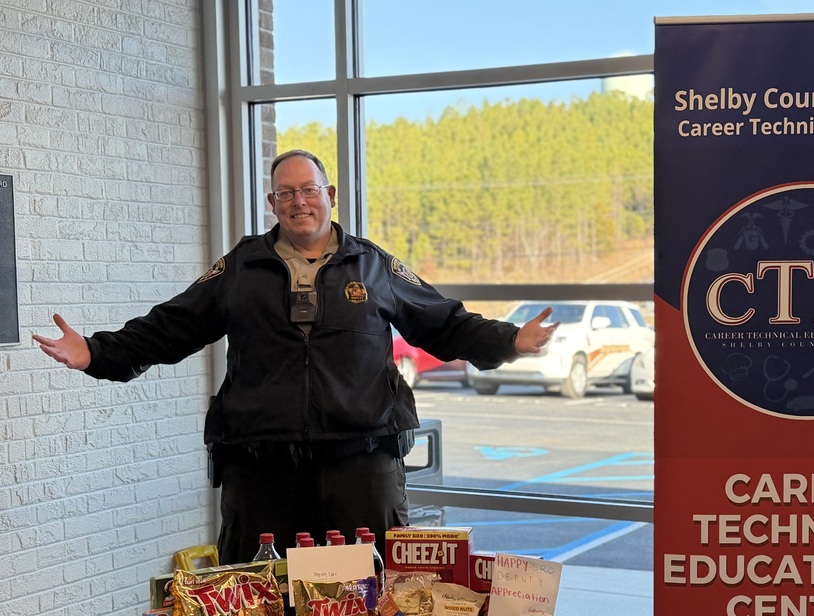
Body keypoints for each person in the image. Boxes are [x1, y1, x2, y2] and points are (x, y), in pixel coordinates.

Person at [34, 149, 558, 565]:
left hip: (362, 462)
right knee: (261, 602)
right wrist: (96, 353)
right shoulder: (242, 267)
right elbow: (172, 326)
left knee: (368, 594)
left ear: (330, 195)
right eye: (285, 192)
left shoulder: (372, 266)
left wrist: (509, 340)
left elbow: (442, 321)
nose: (298, 201)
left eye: (308, 189)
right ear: (272, 201)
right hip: (262, 470)